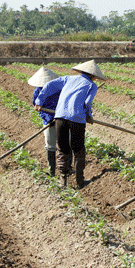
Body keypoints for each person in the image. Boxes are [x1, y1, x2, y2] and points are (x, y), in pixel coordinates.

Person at [34, 60, 105, 189]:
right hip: (77, 119)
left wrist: (39, 101)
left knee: (62, 149)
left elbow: (49, 86)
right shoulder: (92, 85)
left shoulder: (68, 79)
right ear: (93, 76)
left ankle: (63, 182)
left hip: (60, 117)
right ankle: (80, 182)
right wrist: (89, 116)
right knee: (78, 149)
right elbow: (88, 103)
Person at [28, 66, 60, 176]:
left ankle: (67, 168)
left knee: (66, 143)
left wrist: (59, 115)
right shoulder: (37, 92)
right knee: (50, 145)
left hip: (61, 118)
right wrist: (49, 119)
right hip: (49, 121)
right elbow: (39, 109)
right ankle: (52, 171)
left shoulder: (58, 90)